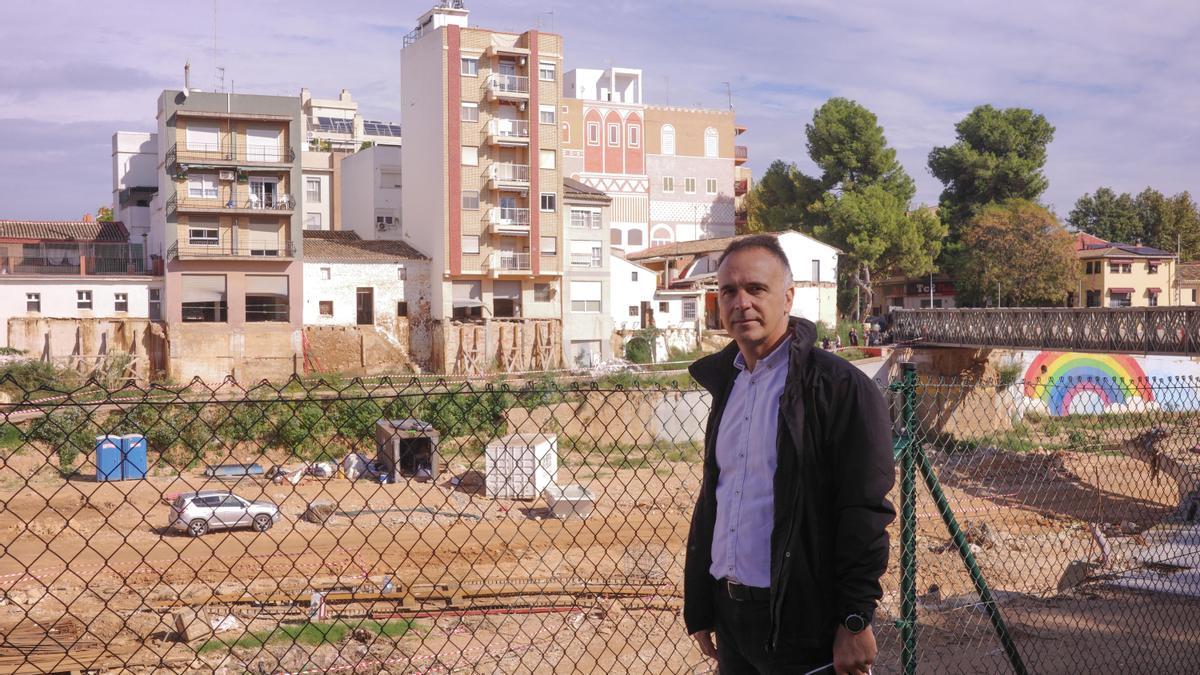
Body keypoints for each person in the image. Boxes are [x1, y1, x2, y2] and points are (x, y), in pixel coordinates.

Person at [685, 235, 896, 675]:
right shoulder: (729, 383)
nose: (741, 302)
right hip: (732, 619)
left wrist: (855, 619)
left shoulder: (838, 388)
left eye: (756, 289)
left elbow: (863, 509)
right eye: (728, 291)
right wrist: (701, 604)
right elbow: (717, 500)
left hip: (803, 621)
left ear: (788, 298)